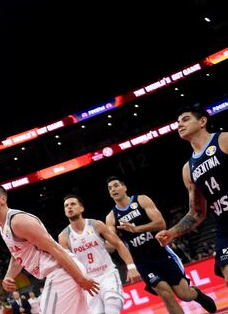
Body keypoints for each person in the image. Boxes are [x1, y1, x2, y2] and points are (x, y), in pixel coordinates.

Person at [0, 182, 99, 314]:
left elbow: (56, 249)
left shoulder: (18, 221)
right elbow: (17, 255)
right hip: (63, 272)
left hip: (63, 271)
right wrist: (9, 275)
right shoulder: (3, 227)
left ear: (3, 199)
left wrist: (80, 278)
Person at [105, 176, 216, 314]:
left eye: (116, 185)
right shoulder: (111, 217)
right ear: (109, 194)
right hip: (143, 262)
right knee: (166, 295)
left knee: (185, 295)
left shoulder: (141, 200)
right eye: (110, 188)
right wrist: (105, 245)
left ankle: (197, 294)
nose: (113, 189)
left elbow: (161, 224)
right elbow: (112, 242)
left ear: (124, 187)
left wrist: (136, 229)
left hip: (162, 254)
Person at [156, 105, 228, 286]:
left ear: (203, 121)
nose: (180, 124)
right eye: (178, 122)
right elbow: (197, 212)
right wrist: (171, 233)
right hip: (224, 226)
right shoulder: (188, 169)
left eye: (185, 119)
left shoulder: (224, 140)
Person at [59, 194, 141, 314]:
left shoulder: (96, 225)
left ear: (81, 208)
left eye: (73, 204)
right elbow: (67, 264)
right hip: (88, 281)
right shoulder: (63, 236)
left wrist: (131, 267)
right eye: (66, 206)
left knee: (112, 306)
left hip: (107, 274)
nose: (69, 207)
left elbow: (118, 244)